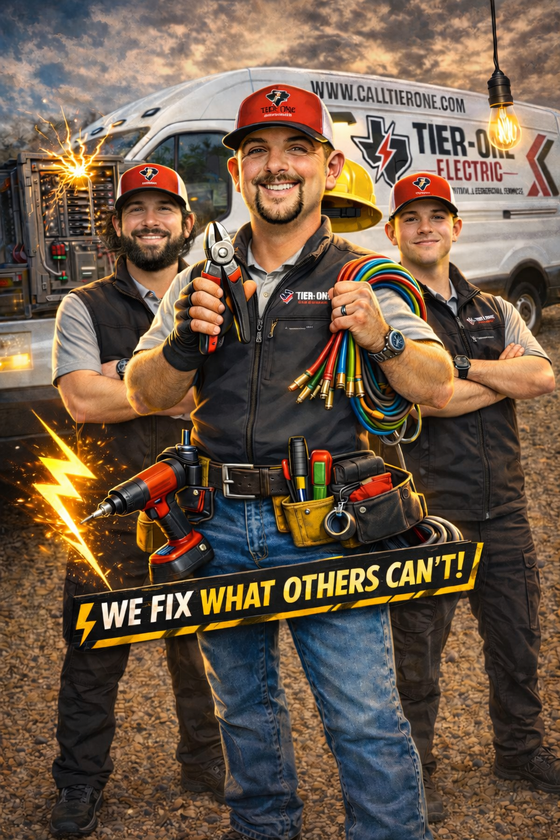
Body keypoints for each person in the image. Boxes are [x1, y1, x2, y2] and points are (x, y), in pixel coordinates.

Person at [124, 84, 454, 840]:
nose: (278, 167)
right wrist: (181, 344)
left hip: (327, 526)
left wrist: (382, 338)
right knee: (245, 717)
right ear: (237, 171)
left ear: (328, 167)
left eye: (296, 148)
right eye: (259, 151)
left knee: (366, 721)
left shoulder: (363, 276)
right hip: (217, 528)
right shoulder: (197, 279)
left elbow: (435, 385)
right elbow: (144, 394)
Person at [49, 164, 224, 838]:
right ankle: (79, 785)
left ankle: (208, 766)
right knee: (94, 657)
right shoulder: (83, 305)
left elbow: (229, 396)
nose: (151, 221)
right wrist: (162, 390)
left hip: (201, 508)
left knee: (205, 649)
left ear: (186, 222)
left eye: (164, 209)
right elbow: (81, 401)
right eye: (136, 211)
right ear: (118, 225)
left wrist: (121, 373)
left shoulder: (214, 298)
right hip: (111, 515)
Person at [382, 171, 557, 823]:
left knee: (518, 643)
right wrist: (493, 377)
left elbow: (541, 374)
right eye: (412, 217)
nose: (425, 227)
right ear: (392, 231)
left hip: (505, 510)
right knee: (418, 660)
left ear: (456, 227)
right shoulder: (392, 316)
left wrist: (459, 369)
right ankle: (412, 772)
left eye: (437, 216)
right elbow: (430, 396)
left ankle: (520, 752)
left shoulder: (494, 306)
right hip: (429, 518)